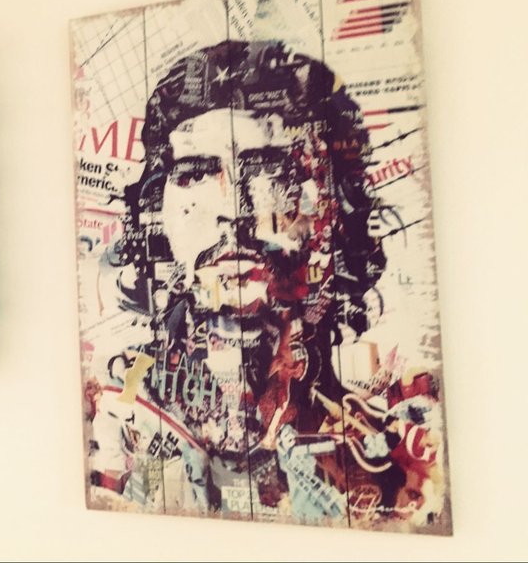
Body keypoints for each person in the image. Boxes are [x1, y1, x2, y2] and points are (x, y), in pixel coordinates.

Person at [87, 40, 433, 523]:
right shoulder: (123, 406)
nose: (233, 209)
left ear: (333, 208)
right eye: (194, 173)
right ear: (155, 212)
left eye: (272, 170)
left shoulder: (388, 443)